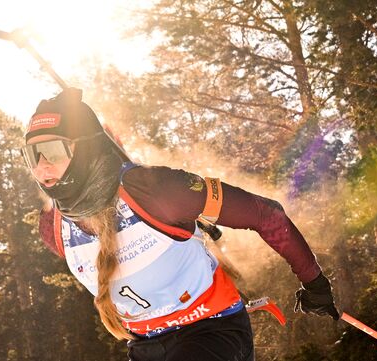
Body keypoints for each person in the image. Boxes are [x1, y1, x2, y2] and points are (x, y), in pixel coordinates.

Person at [21, 88, 339, 361]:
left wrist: (315, 284)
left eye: (51, 150)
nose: (41, 166)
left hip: (212, 333)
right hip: (146, 347)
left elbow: (265, 214)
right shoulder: (54, 229)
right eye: (32, 155)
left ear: (88, 149)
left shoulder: (156, 190)